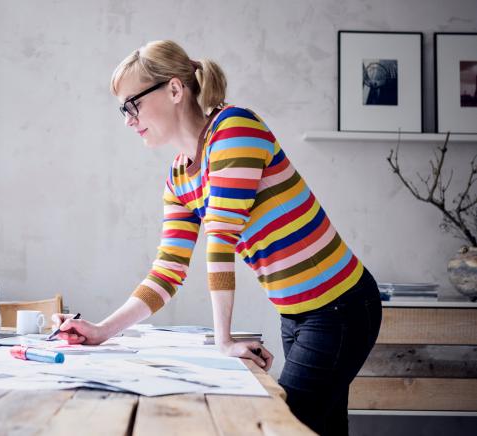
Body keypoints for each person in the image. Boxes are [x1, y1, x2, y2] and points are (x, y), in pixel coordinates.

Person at [51, 40, 382, 436]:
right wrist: (102, 330)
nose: (127, 119)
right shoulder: (179, 177)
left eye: (132, 104)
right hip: (297, 314)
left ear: (175, 90)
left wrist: (224, 341)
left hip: (341, 307)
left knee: (283, 427)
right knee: (321, 429)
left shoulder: (234, 129)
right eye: (122, 108)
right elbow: (167, 272)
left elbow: (221, 239)